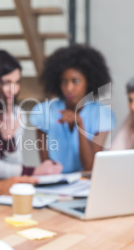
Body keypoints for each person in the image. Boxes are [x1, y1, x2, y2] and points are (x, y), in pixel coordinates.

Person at [0, 49, 63, 191]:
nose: (13, 90)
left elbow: (15, 163)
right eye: (6, 82)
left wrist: (9, 141)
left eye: (17, 82)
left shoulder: (18, 114)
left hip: (7, 192)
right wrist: (31, 172)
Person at [29, 44, 115, 173]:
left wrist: (79, 123)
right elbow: (47, 167)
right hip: (55, 183)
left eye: (75, 81)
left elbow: (89, 167)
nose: (69, 88)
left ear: (89, 82)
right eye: (64, 82)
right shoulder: (43, 113)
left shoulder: (102, 115)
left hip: (85, 184)